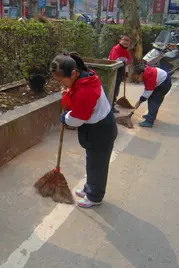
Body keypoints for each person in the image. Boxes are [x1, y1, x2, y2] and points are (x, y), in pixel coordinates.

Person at [51, 52, 118, 208]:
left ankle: (95, 197)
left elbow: (76, 120)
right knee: (92, 162)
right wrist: (68, 93)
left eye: (62, 80)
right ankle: (90, 187)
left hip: (101, 132)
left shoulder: (85, 90)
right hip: (95, 128)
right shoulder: (83, 78)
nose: (61, 84)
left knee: (98, 166)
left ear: (74, 73)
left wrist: (65, 118)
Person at [108, 34, 132, 113]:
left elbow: (128, 61)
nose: (125, 42)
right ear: (119, 40)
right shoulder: (116, 49)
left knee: (116, 89)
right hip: (114, 72)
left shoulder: (125, 51)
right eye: (124, 40)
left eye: (127, 41)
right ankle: (110, 106)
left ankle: (113, 104)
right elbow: (114, 62)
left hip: (120, 72)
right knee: (113, 89)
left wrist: (126, 72)